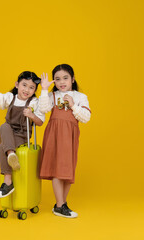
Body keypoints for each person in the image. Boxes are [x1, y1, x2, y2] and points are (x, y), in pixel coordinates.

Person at [39, 64, 91, 218]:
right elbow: (43, 109)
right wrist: (43, 89)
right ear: (53, 82)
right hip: (54, 135)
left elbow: (86, 118)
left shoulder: (80, 97)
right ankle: (60, 205)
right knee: (57, 168)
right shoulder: (52, 96)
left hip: (70, 136)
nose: (62, 82)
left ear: (73, 79)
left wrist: (73, 105)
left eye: (65, 78)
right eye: (57, 79)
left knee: (68, 170)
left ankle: (61, 204)